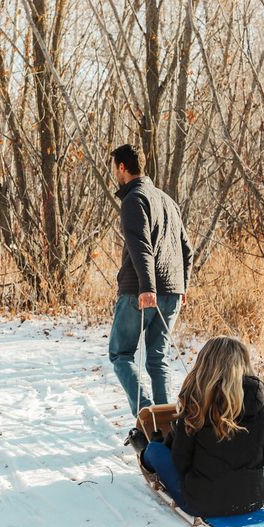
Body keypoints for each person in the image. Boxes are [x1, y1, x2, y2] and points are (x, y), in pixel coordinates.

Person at [129, 337, 264, 517]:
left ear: (205, 365)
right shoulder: (263, 404)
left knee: (155, 450)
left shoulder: (197, 404)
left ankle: (145, 455)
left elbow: (181, 462)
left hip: (202, 503)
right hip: (253, 499)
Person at [108, 144, 193, 416]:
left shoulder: (134, 200)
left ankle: (147, 415)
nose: (113, 172)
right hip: (173, 291)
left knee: (121, 355)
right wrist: (183, 287)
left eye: (113, 167)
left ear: (122, 167)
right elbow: (187, 248)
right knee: (157, 359)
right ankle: (167, 423)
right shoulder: (168, 200)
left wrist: (147, 287)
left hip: (140, 292)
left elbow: (140, 246)